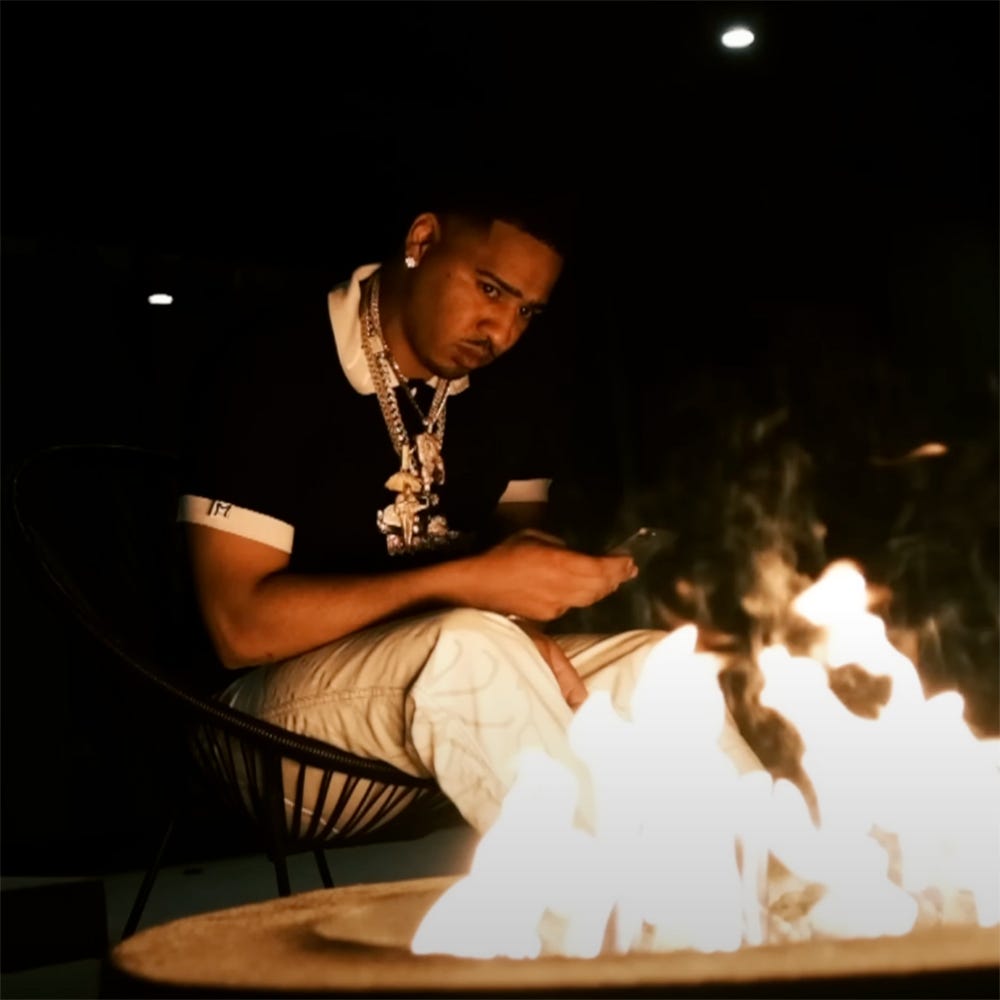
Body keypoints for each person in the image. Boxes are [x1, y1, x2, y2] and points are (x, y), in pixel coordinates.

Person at [178, 170, 762, 835]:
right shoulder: (274, 363)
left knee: (652, 668)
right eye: (490, 289)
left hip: (437, 708)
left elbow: (506, 583)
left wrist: (540, 588)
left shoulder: (511, 391)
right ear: (422, 242)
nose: (502, 331)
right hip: (257, 734)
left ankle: (780, 883)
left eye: (527, 311)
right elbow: (240, 630)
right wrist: (467, 584)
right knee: (469, 649)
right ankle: (597, 889)